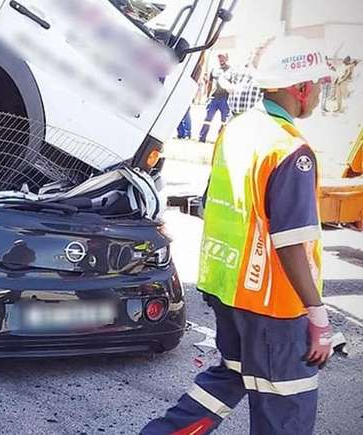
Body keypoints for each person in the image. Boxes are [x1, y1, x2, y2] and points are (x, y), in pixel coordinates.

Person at [142, 36, 333, 435]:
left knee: (232, 376)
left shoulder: (238, 129)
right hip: (273, 305)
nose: (318, 92)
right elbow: (291, 242)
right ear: (300, 88)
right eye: (318, 83)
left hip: (228, 290)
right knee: (286, 408)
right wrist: (318, 316)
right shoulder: (290, 149)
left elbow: (215, 201)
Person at [199, 54, 233, 143]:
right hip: (214, 98)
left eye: (223, 57)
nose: (221, 59)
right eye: (219, 58)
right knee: (208, 118)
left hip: (225, 99)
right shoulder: (214, 70)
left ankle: (220, 140)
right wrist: (207, 96)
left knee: (224, 121)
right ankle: (202, 137)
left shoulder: (231, 71)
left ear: (227, 58)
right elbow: (209, 83)